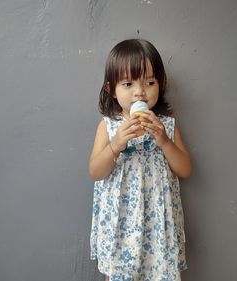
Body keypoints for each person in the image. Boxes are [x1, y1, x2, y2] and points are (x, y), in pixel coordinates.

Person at [88, 39, 192, 281]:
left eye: (150, 82)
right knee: (118, 274)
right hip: (120, 222)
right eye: (128, 83)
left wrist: (164, 141)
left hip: (157, 220)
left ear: (162, 84)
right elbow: (95, 171)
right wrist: (116, 145)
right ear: (110, 89)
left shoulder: (166, 125)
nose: (140, 92)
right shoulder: (108, 127)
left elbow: (185, 169)